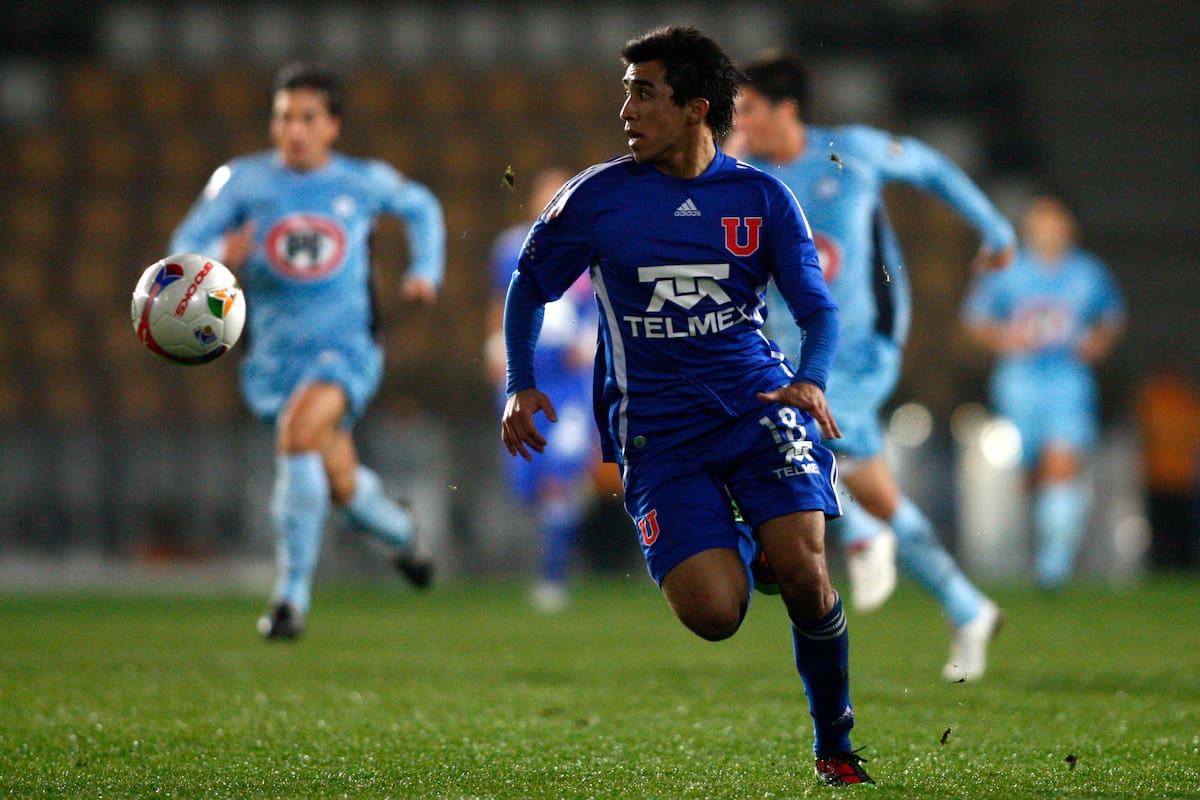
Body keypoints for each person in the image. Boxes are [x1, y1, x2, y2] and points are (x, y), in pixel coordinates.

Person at [501, 27, 873, 787]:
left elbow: (818, 310)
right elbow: (529, 286)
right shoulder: (597, 199)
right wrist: (518, 379)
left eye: (643, 92)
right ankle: (747, 539)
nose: (625, 109)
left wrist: (813, 378)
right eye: (625, 90)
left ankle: (834, 742)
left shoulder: (762, 197)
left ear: (696, 107)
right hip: (658, 433)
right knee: (715, 615)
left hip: (757, 404)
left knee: (806, 573)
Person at [732, 53, 1014, 681]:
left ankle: (857, 534)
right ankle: (966, 605)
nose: (739, 122)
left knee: (789, 441)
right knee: (876, 491)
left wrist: (994, 229)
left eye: (747, 109)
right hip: (793, 356)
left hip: (864, 345)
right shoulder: (741, 172)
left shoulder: (851, 150)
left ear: (786, 109)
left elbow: (933, 168)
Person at [169, 62, 445, 639]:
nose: (293, 129)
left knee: (296, 435)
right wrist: (222, 251)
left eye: (307, 118)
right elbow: (184, 247)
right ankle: (401, 534)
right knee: (339, 484)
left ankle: (290, 599)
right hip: (274, 360)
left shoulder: (359, 181)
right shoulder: (241, 182)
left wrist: (424, 270)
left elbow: (421, 205)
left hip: (346, 351)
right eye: (284, 117)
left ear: (332, 127)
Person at [963, 194, 1125, 589]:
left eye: (1055, 219)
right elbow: (975, 319)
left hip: (1067, 380)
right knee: (1031, 473)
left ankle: (1055, 562)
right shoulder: (1007, 268)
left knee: (1062, 461)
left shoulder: (1088, 272)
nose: (1047, 227)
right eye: (1040, 219)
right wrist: (1002, 338)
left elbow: (1112, 317)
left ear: (1069, 225)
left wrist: (1098, 344)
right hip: (1019, 381)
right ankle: (1036, 544)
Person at [486, 167, 599, 611]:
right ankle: (560, 538)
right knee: (529, 481)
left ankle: (552, 579)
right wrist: (494, 348)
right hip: (526, 373)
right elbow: (499, 303)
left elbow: (604, 310)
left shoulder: (592, 250)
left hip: (570, 381)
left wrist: (588, 345)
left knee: (558, 476)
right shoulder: (509, 248)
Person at [1135, 355, 1200, 571]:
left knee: (1174, 531)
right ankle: (1168, 566)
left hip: (1176, 477)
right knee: (1170, 531)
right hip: (1164, 475)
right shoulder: (1158, 398)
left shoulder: (1180, 399)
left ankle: (1175, 566)